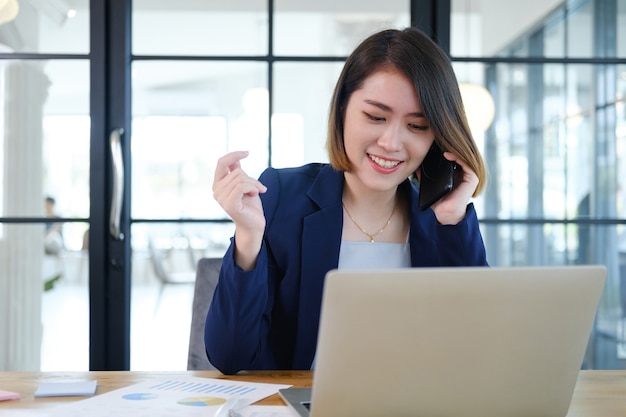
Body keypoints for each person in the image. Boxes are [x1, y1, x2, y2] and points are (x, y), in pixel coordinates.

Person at [206, 27, 488, 374]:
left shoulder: (442, 220)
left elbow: (476, 351)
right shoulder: (281, 195)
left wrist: (453, 221)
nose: (391, 142)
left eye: (417, 126)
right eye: (375, 117)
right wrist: (248, 238)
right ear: (342, 109)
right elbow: (230, 357)